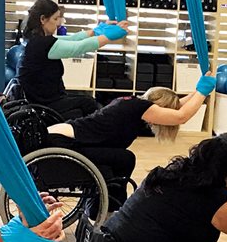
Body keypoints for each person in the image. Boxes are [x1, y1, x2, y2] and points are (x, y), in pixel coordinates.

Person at [45, 77, 216, 207]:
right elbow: (180, 116)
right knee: (124, 159)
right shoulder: (141, 108)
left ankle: (108, 206)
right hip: (63, 142)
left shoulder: (134, 103)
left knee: (121, 159)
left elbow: (177, 105)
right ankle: (112, 207)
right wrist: (202, 91)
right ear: (160, 106)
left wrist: (199, 90)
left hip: (64, 136)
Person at [17, 0, 128, 120]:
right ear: (43, 19)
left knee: (87, 102)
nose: (58, 23)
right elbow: (79, 47)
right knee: (89, 104)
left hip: (43, 99)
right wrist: (110, 35)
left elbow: (72, 39)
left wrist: (97, 30)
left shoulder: (33, 40)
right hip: (45, 103)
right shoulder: (42, 44)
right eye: (55, 19)